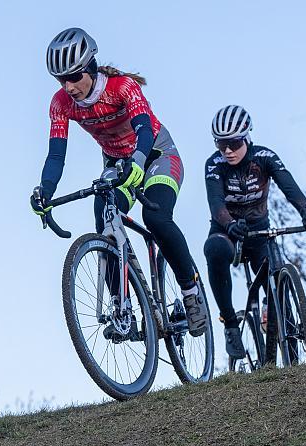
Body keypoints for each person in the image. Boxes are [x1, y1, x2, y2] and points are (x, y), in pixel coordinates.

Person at [30, 27, 207, 336]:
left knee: (155, 217)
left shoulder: (121, 87)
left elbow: (143, 127)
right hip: (116, 162)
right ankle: (120, 306)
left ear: (90, 68)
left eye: (73, 77)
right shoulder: (60, 104)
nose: (68, 87)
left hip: (155, 154)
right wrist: (44, 191)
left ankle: (191, 293)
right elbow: (56, 155)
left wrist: (138, 159)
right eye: (61, 80)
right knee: (105, 215)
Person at [203, 105, 306, 359]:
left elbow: (288, 184)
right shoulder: (214, 164)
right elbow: (215, 203)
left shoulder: (265, 157)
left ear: (246, 137)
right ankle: (231, 325)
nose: (227, 150)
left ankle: (291, 351)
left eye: (233, 143)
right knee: (214, 250)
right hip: (227, 229)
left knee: (278, 279)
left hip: (259, 230)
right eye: (220, 143)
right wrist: (229, 225)